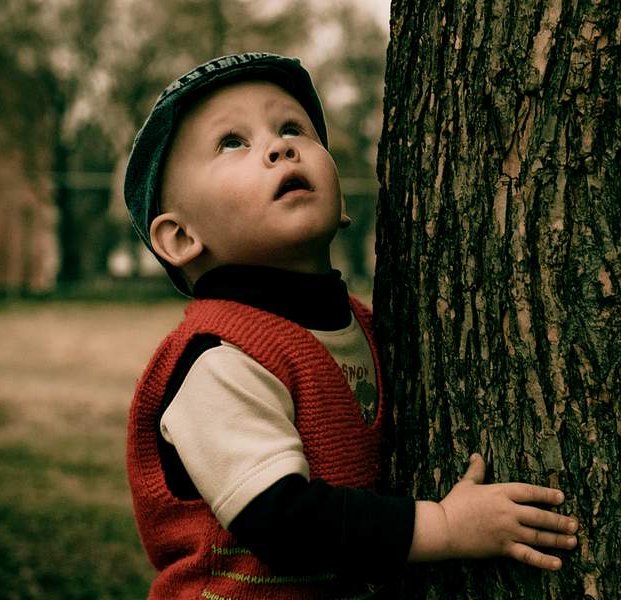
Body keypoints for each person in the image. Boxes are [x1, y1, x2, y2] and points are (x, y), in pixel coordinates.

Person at [123, 52, 579, 600]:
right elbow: (284, 524)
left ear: (340, 205)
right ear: (180, 239)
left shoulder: (365, 324)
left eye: (293, 128)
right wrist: (446, 527)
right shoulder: (218, 358)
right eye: (231, 142)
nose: (280, 146)